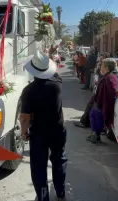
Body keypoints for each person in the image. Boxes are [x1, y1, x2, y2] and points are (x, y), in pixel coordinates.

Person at [20, 50, 67, 201]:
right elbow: (55, 72)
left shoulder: (28, 91)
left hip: (39, 133)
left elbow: (25, 118)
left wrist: (23, 132)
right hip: (58, 130)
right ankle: (60, 192)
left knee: (39, 166)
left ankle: (42, 196)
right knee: (59, 160)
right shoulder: (58, 82)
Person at [75, 52, 111, 128]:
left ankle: (86, 123)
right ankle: (86, 122)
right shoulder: (107, 68)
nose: (100, 57)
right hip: (101, 91)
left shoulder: (107, 71)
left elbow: (100, 74)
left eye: (102, 56)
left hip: (102, 94)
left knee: (91, 106)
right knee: (91, 106)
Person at [87, 58, 118, 143]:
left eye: (102, 66)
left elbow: (114, 90)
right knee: (92, 115)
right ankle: (95, 134)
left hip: (103, 103)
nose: (101, 68)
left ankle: (96, 136)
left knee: (97, 118)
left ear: (107, 68)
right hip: (99, 101)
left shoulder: (110, 77)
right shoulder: (108, 76)